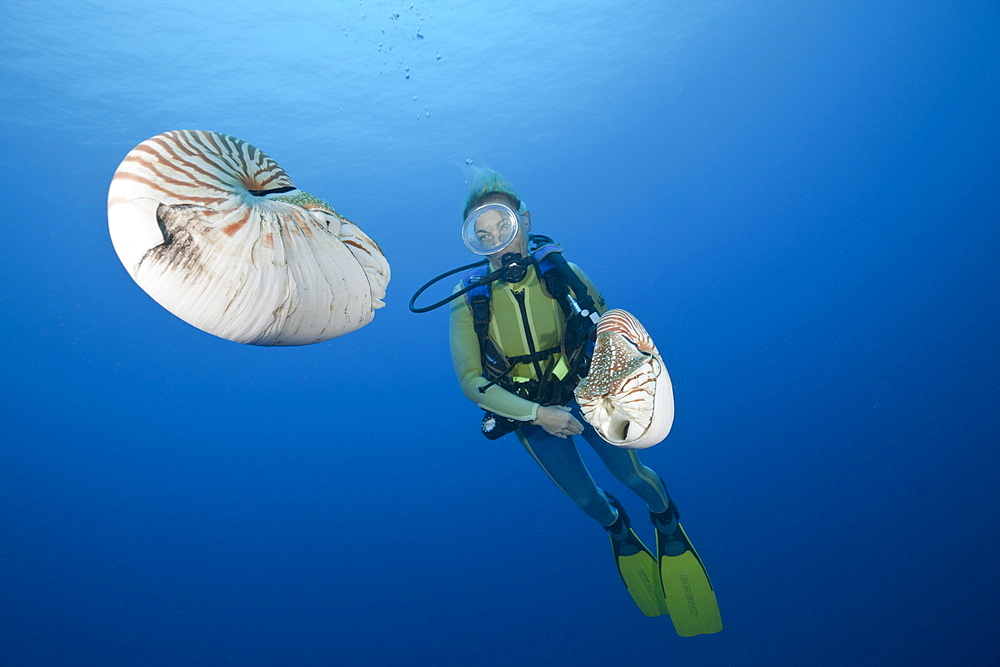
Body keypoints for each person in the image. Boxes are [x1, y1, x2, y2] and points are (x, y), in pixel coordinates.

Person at [444, 169, 722, 636]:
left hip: (586, 396)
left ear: (525, 222)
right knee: (585, 499)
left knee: (630, 474)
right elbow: (470, 381)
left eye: (504, 228)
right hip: (531, 414)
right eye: (482, 234)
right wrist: (537, 414)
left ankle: (665, 520)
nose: (498, 243)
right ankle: (616, 527)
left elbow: (608, 331)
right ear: (473, 241)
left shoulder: (563, 274)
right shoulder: (468, 298)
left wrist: (621, 390)